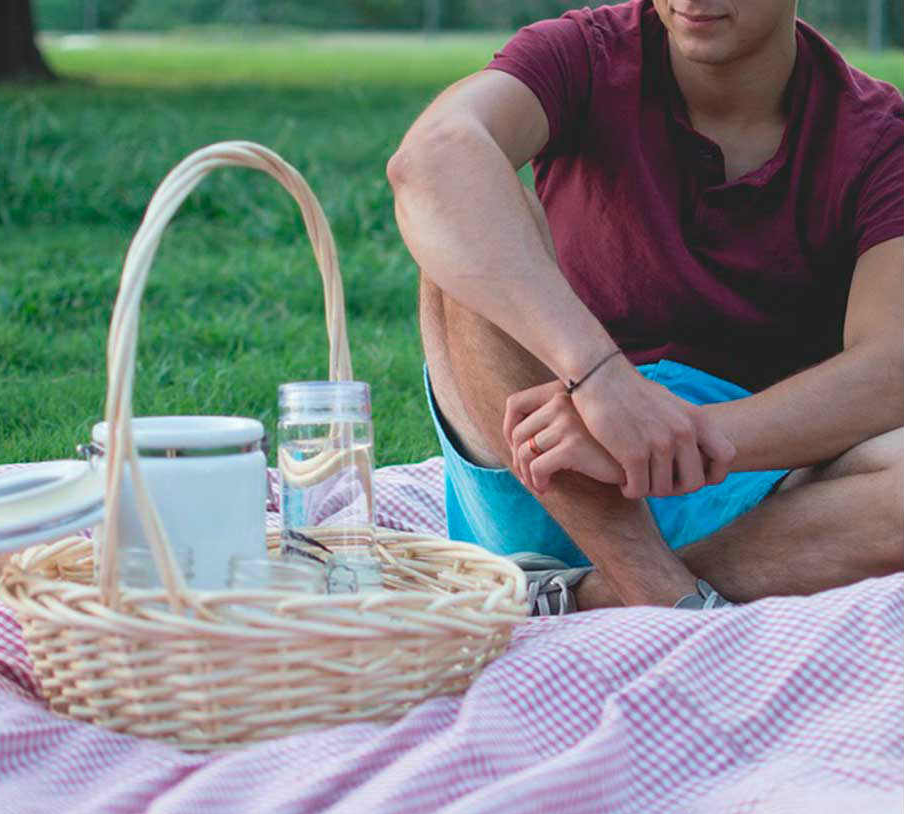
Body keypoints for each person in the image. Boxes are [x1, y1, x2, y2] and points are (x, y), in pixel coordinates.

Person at [386, 0, 903, 613]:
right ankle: (667, 596)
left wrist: (666, 439)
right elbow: (430, 160)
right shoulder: (586, 52)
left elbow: (890, 366)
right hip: (547, 475)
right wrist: (601, 384)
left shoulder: (878, 135)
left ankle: (581, 600)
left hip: (749, 500)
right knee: (467, 228)